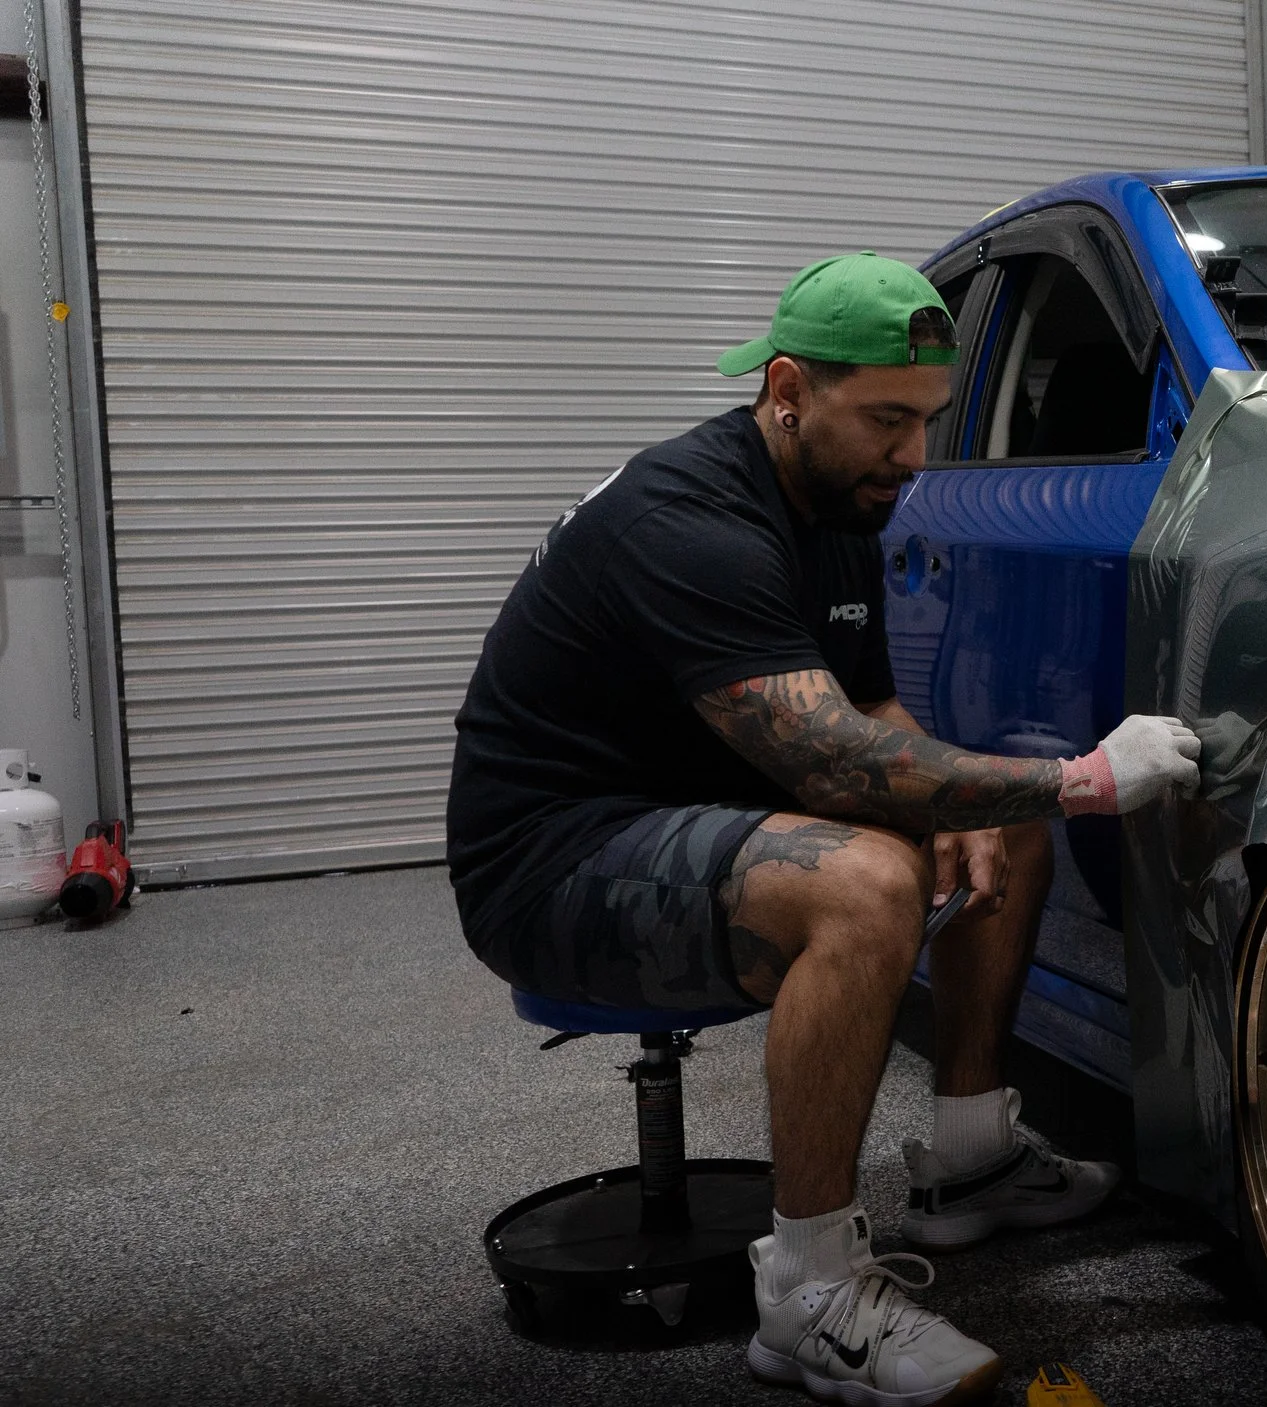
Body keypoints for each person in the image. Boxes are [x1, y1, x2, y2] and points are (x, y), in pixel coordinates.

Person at [445, 252, 1201, 1405]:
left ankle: (968, 1158)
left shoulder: (838, 495)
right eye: (887, 421)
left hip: (701, 811)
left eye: (929, 421)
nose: (914, 457)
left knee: (998, 830)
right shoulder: (686, 515)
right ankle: (808, 1297)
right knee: (866, 884)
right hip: (556, 864)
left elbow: (870, 706)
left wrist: (1002, 801)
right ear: (787, 390)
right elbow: (831, 756)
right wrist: (1085, 779)